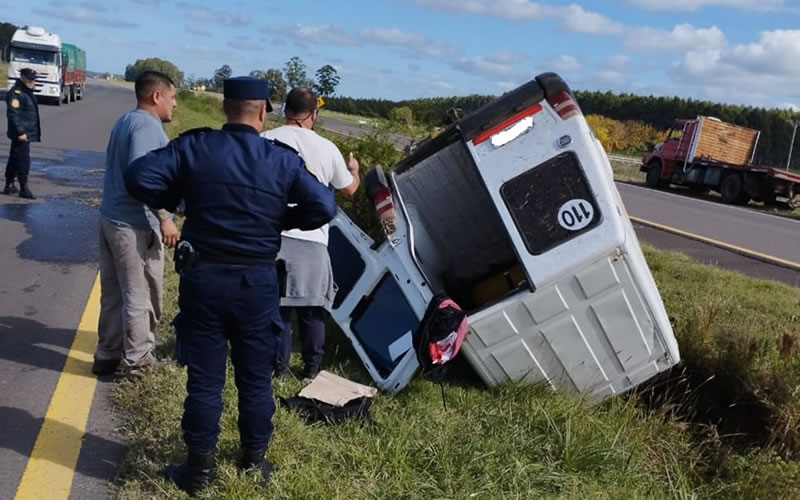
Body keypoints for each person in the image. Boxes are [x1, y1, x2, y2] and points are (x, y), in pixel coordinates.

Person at [124, 76, 336, 495]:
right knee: (254, 380)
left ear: (225, 108)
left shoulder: (196, 146)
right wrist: (279, 219)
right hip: (256, 282)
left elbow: (138, 177)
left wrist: (184, 198)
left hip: (204, 279)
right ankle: (253, 463)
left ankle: (198, 471)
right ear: (262, 112)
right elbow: (324, 205)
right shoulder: (281, 159)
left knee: (204, 380)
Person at [262, 87, 360, 381]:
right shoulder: (327, 148)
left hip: (272, 235)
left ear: (285, 110)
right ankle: (311, 370)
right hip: (312, 239)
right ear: (313, 115)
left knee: (277, 307)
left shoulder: (265, 139)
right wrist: (354, 170)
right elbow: (349, 189)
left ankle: (276, 369)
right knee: (311, 309)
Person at [92, 71, 180, 377]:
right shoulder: (145, 126)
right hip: (133, 224)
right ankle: (139, 360)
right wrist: (165, 218)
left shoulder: (127, 120)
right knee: (140, 294)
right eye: (172, 97)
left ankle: (107, 354)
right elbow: (142, 179)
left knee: (114, 293)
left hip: (112, 218)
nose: (175, 104)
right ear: (156, 96)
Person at [4, 68, 41, 199]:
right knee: (23, 160)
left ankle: (9, 185)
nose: (32, 82)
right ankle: (24, 188)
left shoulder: (26, 92)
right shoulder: (17, 93)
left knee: (14, 158)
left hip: (24, 132)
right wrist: (21, 132)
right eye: (30, 79)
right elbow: (13, 114)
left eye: (34, 79)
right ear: (23, 78)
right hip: (21, 134)